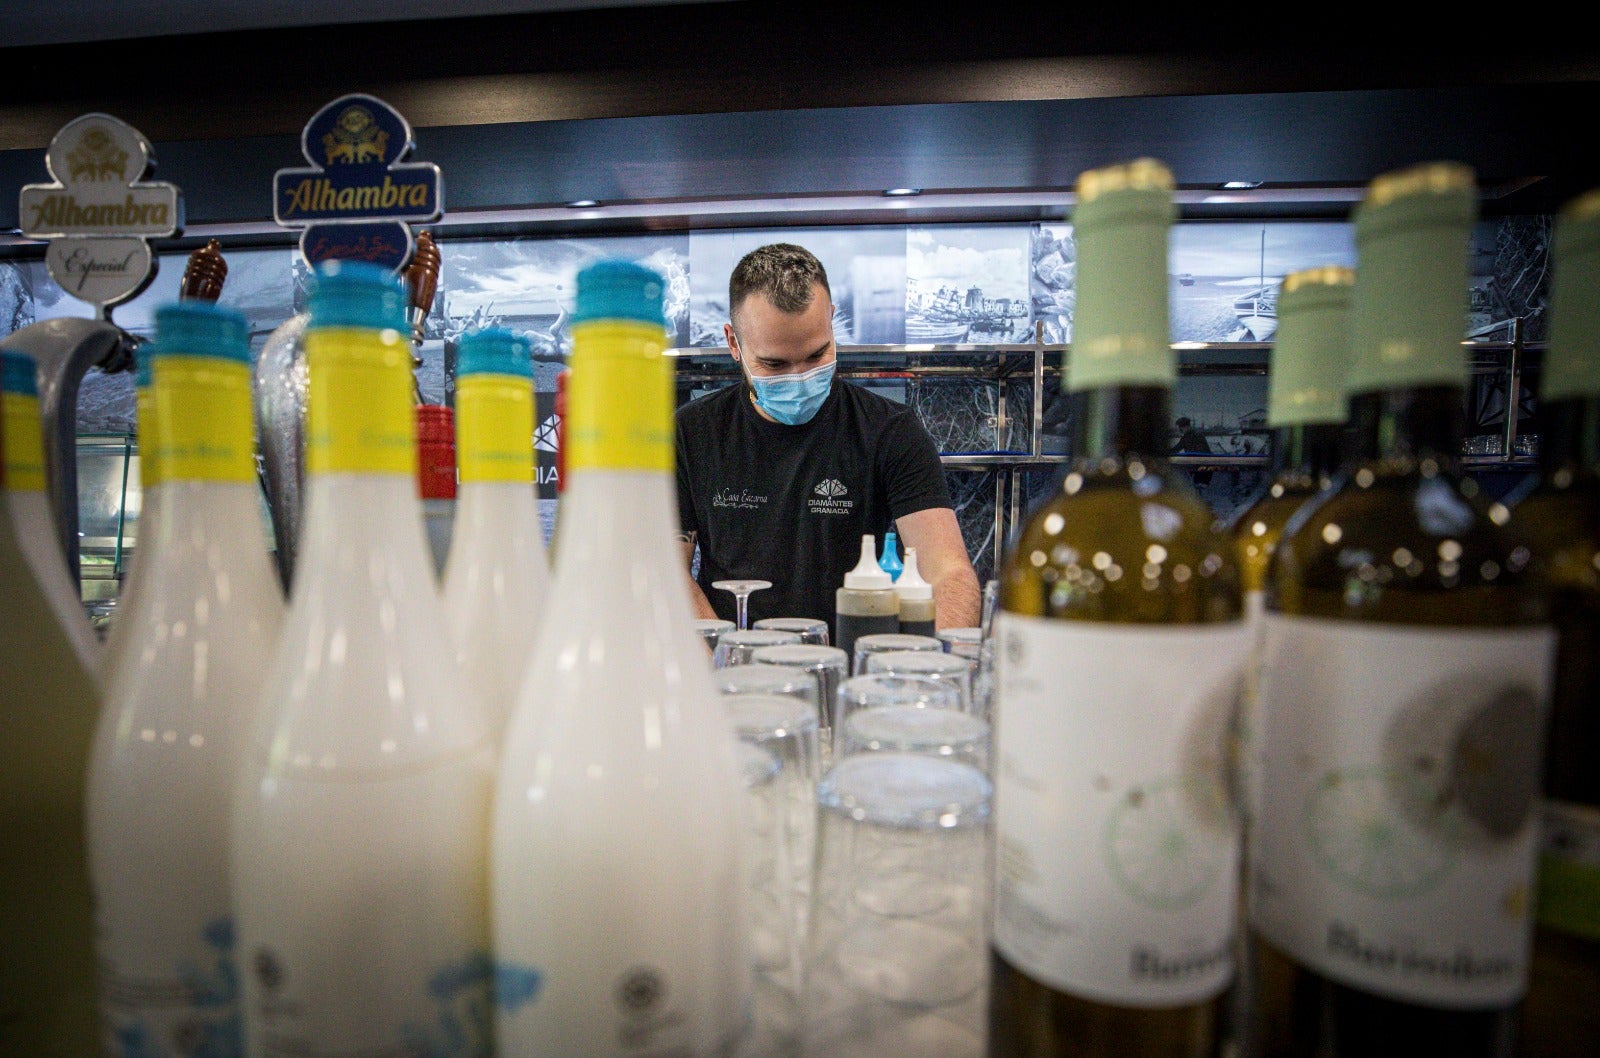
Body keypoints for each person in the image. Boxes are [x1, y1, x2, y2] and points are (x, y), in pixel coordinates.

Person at [676, 243, 982, 632]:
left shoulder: (889, 431)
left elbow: (948, 573)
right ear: (733, 343)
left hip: (852, 669)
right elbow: (668, 574)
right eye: (775, 363)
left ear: (832, 321)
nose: (801, 376)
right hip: (731, 673)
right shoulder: (690, 433)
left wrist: (940, 670)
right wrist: (720, 662)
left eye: (817, 355)